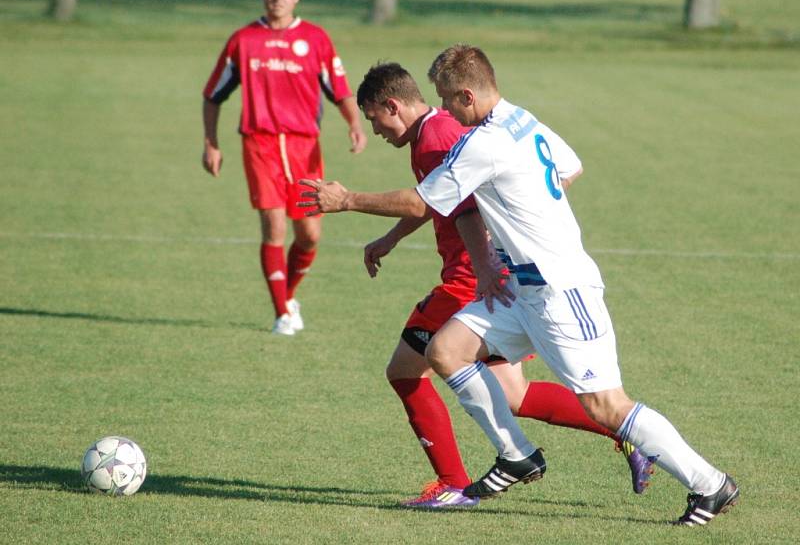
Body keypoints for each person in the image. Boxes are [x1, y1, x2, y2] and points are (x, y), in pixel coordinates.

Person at [300, 46, 739, 526]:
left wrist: (347, 200)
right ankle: (517, 455)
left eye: (448, 100)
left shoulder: (482, 144)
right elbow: (569, 167)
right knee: (446, 351)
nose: (443, 109)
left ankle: (710, 484)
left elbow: (421, 201)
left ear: (468, 94)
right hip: (520, 290)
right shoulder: (522, 121)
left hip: (560, 290)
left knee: (607, 405)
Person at [355, 63, 654, 508]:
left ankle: (453, 484)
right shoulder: (435, 134)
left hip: (471, 281)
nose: (373, 129)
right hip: (490, 279)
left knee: (405, 370)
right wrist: (392, 238)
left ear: (391, 105)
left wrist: (346, 200)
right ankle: (629, 431)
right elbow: (442, 201)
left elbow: (445, 202)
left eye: (372, 118)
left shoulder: (435, 137)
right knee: (515, 395)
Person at [201, 0, 367, 335]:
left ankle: (287, 296)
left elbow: (340, 90)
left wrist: (355, 125)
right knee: (274, 226)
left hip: (304, 147)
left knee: (310, 235)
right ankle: (281, 313)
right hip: (259, 144)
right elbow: (213, 95)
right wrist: (211, 143)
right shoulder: (243, 41)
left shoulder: (316, 39)